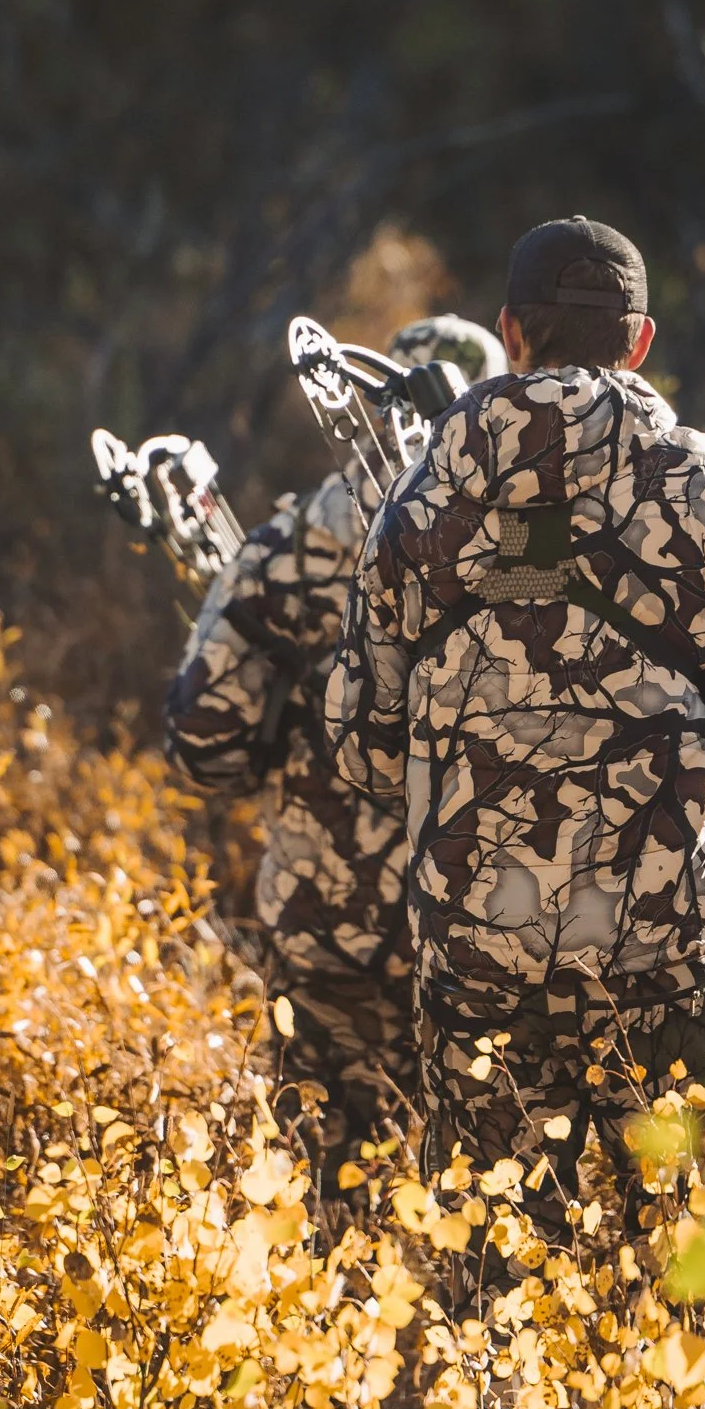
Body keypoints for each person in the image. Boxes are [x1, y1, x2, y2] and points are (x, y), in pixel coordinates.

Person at [326, 216, 705, 1236]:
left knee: (495, 1255)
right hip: (662, 940)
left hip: (481, 947)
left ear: (508, 332)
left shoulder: (421, 500)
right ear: (638, 342)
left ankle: (494, 1398)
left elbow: (362, 744)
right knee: (691, 1250)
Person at [164, 313, 506, 1182]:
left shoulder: (286, 551)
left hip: (329, 934)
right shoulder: (526, 546)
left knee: (332, 1198)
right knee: (487, 1207)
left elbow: (205, 747)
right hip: (492, 933)